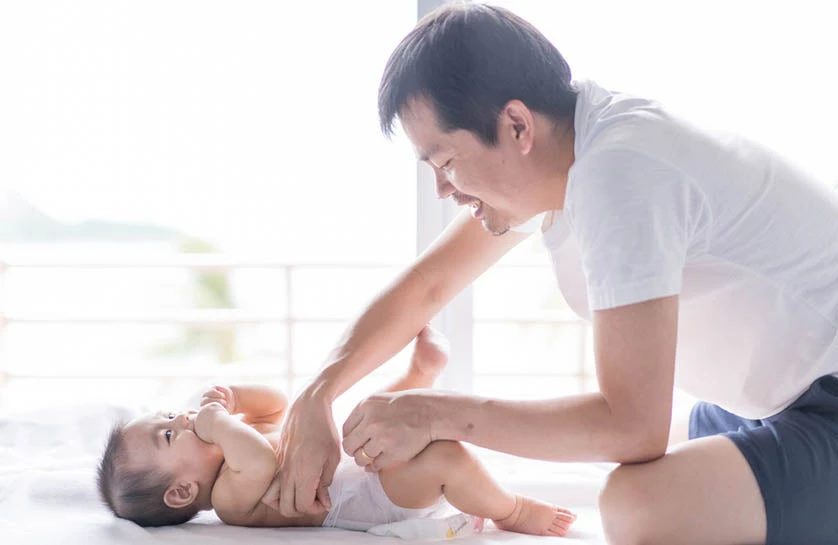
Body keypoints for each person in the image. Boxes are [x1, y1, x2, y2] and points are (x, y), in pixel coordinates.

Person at [264, 4, 838, 545]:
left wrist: (432, 413)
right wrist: (318, 394)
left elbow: (632, 426)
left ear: (515, 124)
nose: (443, 188)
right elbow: (428, 287)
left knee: (637, 503)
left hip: (824, 401)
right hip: (772, 399)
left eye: (445, 161)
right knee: (648, 461)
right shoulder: (567, 149)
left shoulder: (620, 172)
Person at [96, 326, 577, 537]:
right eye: (167, 436)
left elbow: (281, 407)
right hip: (367, 498)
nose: (180, 419)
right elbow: (262, 461)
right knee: (448, 458)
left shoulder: (234, 445)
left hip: (356, 462)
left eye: (166, 415)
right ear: (182, 491)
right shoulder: (228, 498)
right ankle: (512, 510)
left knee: (364, 415)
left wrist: (236, 399)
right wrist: (217, 420)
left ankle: (416, 380)